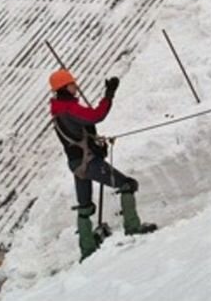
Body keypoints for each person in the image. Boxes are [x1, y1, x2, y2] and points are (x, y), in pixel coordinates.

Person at [49, 69, 156, 260]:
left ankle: (87, 249)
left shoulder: (58, 110)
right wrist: (109, 95)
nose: (76, 86)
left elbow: (79, 133)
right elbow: (96, 116)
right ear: (64, 88)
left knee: (85, 206)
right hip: (88, 162)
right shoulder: (69, 108)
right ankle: (133, 228)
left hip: (76, 165)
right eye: (72, 84)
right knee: (127, 185)